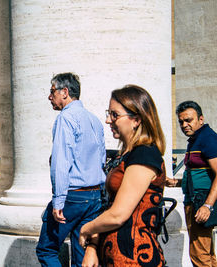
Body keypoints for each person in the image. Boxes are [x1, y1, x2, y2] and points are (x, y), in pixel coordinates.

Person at [79, 85, 166, 267]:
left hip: (135, 258)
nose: (108, 120)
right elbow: (108, 207)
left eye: (115, 115)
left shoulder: (144, 154)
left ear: (136, 120)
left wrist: (86, 229)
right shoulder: (126, 155)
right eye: (108, 113)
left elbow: (118, 214)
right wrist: (93, 245)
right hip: (115, 256)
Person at [36, 72, 106, 267]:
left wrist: (58, 200)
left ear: (64, 92)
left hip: (72, 197)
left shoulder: (65, 118)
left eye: (52, 92)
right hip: (94, 195)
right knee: (81, 253)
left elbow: (61, 162)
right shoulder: (94, 119)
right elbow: (101, 158)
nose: (50, 97)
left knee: (46, 249)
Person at [174, 101, 217, 266]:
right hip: (195, 200)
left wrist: (207, 206)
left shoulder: (207, 139)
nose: (184, 125)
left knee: (199, 254)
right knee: (206, 253)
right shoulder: (196, 139)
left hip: (201, 202)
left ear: (200, 119)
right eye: (181, 122)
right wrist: (176, 182)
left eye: (188, 120)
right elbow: (198, 173)